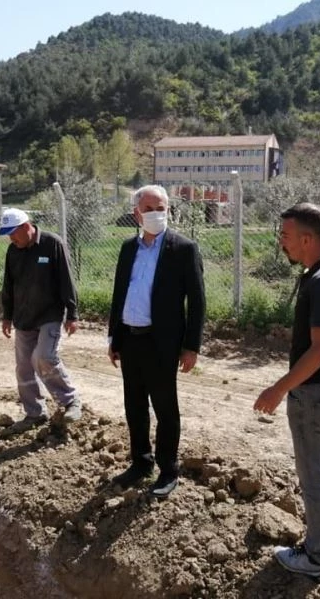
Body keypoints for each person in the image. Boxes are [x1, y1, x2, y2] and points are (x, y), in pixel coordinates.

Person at [253, 202, 320, 578]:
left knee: (312, 476)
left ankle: (317, 558)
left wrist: (278, 389)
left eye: (285, 236)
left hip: (313, 392)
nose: (281, 243)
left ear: (307, 237)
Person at [107, 185, 206, 498]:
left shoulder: (183, 248)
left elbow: (198, 301)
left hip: (161, 343)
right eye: (149, 208)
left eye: (161, 208)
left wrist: (191, 346)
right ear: (137, 213)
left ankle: (167, 469)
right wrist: (114, 336)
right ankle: (141, 462)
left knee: (165, 408)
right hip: (131, 340)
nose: (156, 214)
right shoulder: (128, 249)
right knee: (134, 405)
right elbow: (119, 294)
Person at [0, 207, 81, 432]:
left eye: (13, 233)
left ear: (27, 227)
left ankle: (70, 400)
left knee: (44, 357)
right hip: (24, 318)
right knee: (24, 368)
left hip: (50, 315)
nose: (11, 238)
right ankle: (34, 413)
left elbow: (67, 280)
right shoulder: (13, 251)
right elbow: (9, 286)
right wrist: (7, 315)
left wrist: (72, 314)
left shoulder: (52, 243)